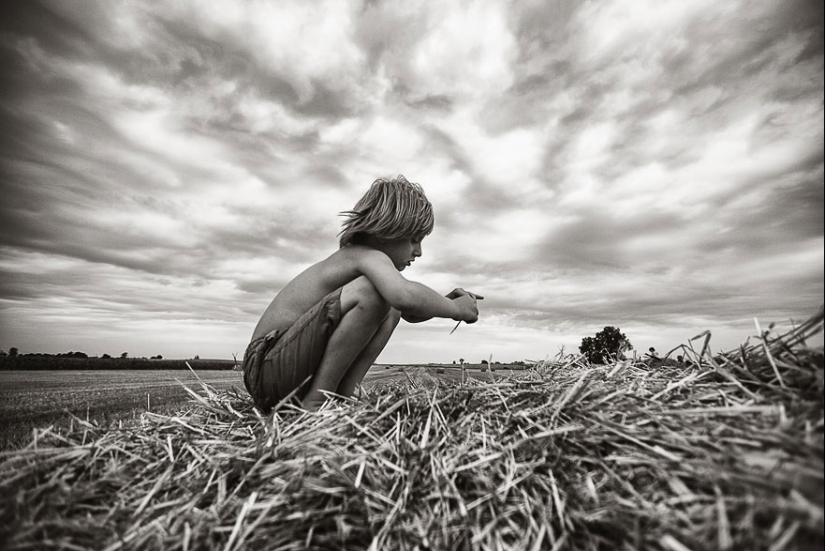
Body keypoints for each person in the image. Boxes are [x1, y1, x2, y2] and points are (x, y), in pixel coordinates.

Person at [242, 175, 482, 412]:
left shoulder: (369, 266)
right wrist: (457, 309)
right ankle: (317, 403)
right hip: (265, 367)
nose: (418, 252)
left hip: (284, 373)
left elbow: (408, 309)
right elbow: (405, 296)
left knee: (390, 306)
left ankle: (341, 398)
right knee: (373, 293)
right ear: (386, 232)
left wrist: (444, 301)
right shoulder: (364, 256)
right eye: (414, 240)